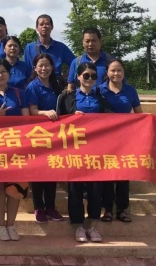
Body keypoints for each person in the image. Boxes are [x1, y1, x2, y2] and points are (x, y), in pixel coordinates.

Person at [57, 62, 110, 243]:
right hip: (74, 150)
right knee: (75, 190)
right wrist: (72, 118)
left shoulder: (101, 99)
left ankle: (93, 225)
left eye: (93, 76)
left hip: (96, 150)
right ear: (78, 77)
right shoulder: (66, 97)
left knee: (96, 189)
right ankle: (78, 226)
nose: (89, 79)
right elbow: (58, 123)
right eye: (86, 75)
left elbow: (110, 121)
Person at [0, 59, 29, 242]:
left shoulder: (19, 94)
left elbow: (27, 120)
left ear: (9, 74)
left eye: (4, 71)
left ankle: (11, 225)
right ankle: (1, 226)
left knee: (14, 187)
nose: (0, 74)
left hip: (16, 145)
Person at [99, 58, 142, 224]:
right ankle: (107, 209)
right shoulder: (99, 90)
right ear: (107, 72)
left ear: (123, 73)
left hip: (125, 139)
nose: (116, 73)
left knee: (124, 174)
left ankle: (122, 209)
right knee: (107, 175)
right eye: (113, 70)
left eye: (119, 70)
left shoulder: (130, 91)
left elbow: (139, 114)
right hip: (105, 138)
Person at [25, 54, 65, 224]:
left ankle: (50, 206)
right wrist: (44, 112)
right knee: (38, 171)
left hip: (55, 133)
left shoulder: (57, 84)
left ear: (52, 67)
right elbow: (32, 110)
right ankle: (38, 207)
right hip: (38, 133)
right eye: (40, 65)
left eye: (47, 65)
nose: (44, 68)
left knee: (52, 169)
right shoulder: (32, 87)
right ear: (35, 68)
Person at [23, 14, 75, 80]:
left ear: (52, 27)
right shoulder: (29, 48)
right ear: (37, 28)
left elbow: (75, 64)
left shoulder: (61, 47)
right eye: (41, 24)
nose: (44, 26)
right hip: (36, 83)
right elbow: (26, 69)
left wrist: (66, 77)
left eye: (47, 24)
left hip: (55, 83)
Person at [67, 27, 112, 92]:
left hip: (105, 98)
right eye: (87, 41)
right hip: (82, 98)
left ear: (100, 41)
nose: (90, 44)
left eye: (93, 41)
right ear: (83, 42)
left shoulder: (110, 61)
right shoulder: (76, 62)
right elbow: (70, 87)